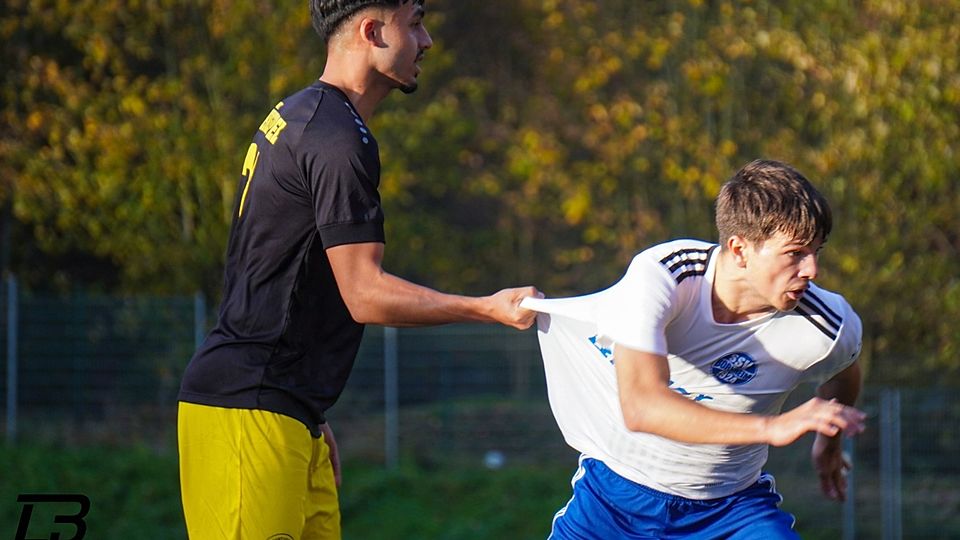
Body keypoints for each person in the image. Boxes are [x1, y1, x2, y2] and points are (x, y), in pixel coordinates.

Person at [176, 1, 540, 538]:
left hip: (286, 409)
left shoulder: (304, 116)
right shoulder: (334, 138)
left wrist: (309, 405)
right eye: (415, 22)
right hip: (248, 411)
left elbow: (279, 271)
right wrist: (484, 308)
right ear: (373, 31)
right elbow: (364, 294)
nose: (427, 40)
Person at [522, 159, 866, 539]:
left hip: (732, 511)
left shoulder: (828, 324)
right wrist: (773, 426)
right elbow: (642, 407)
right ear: (739, 250)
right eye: (795, 253)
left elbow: (845, 369)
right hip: (613, 504)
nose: (812, 269)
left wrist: (829, 444)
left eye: (818, 251)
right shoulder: (665, 276)